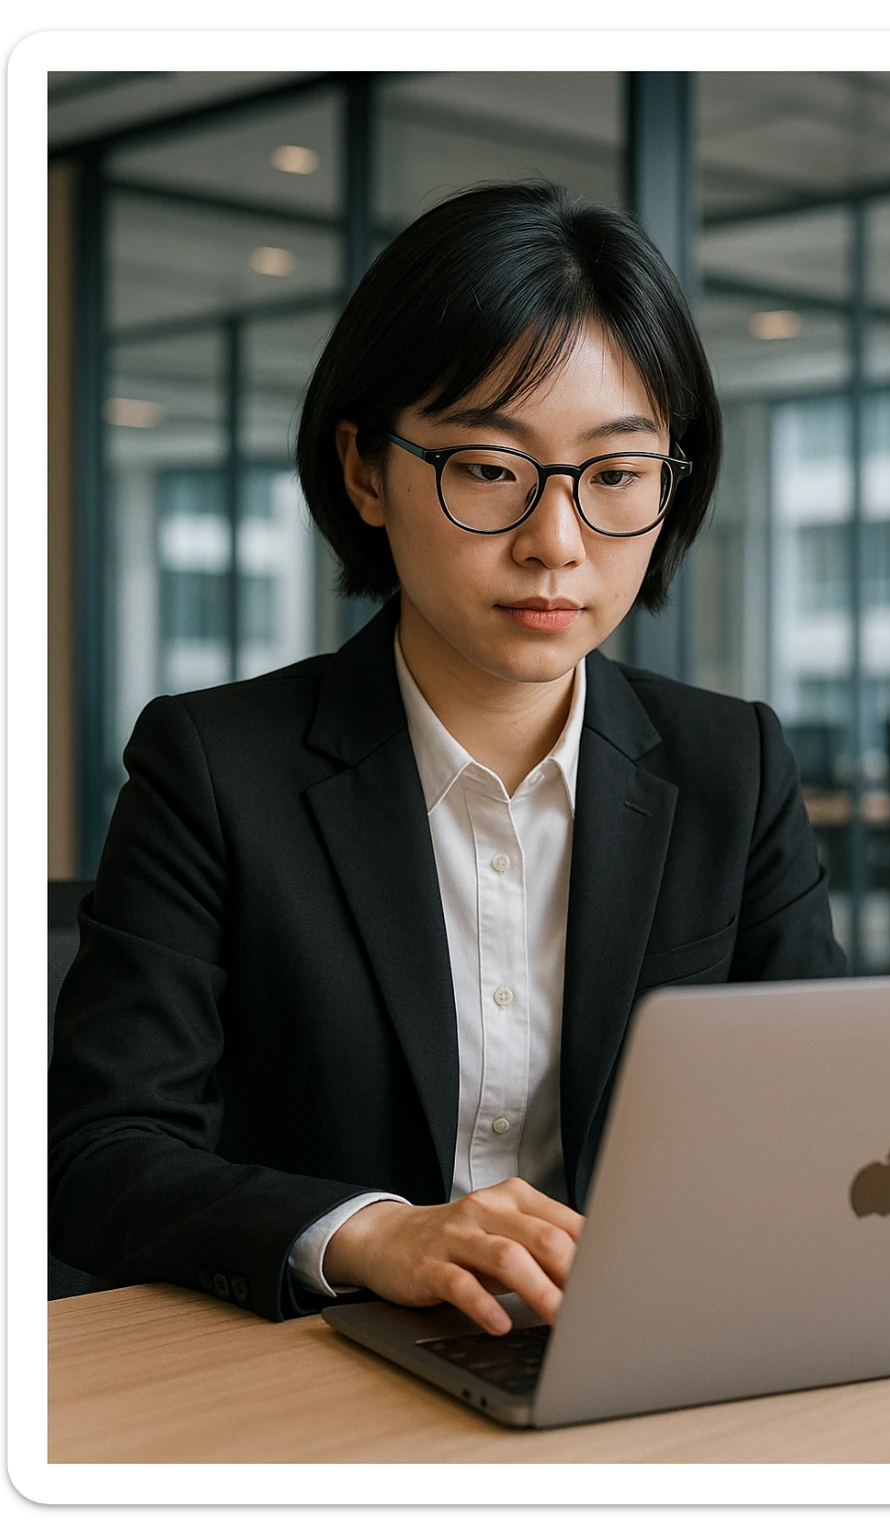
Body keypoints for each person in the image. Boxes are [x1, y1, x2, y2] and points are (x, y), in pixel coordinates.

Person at [49, 182, 846, 1332]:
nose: (555, 542)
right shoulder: (215, 770)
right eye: (487, 467)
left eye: (616, 476)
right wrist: (374, 1234)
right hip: (316, 1375)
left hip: (639, 1362)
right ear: (367, 470)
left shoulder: (736, 765)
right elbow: (97, 1155)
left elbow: (826, 1119)